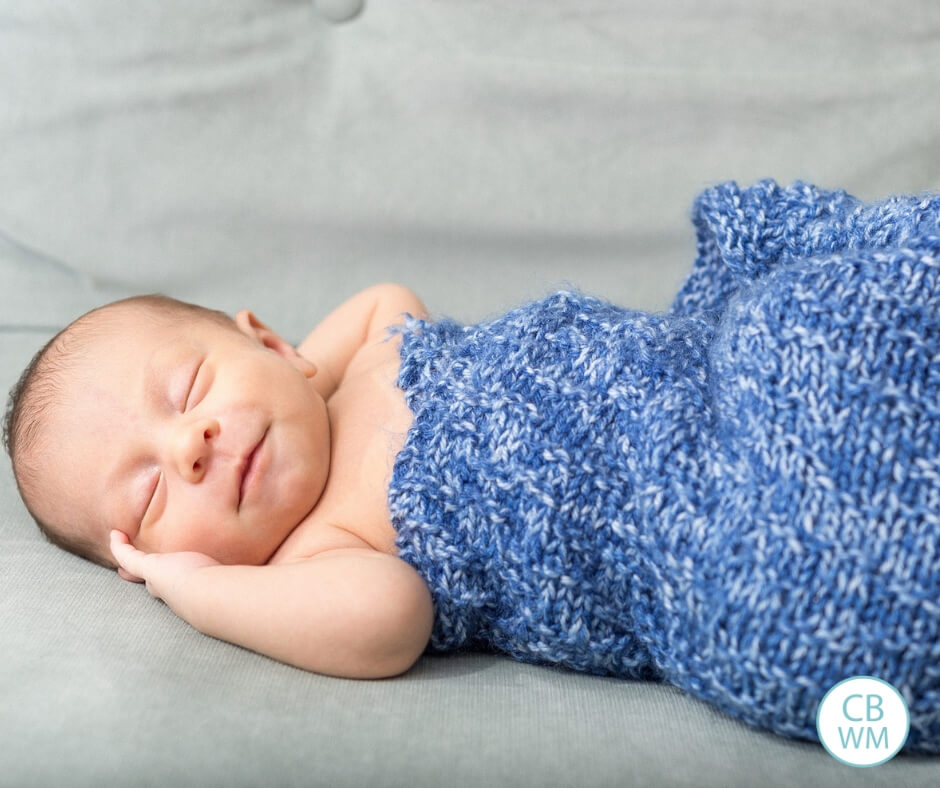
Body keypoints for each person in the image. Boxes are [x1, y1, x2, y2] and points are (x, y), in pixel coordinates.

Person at [4, 180, 940, 753]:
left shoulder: (370, 354)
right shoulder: (322, 554)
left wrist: (299, 376)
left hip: (695, 368)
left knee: (821, 304)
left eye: (191, 386)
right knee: (785, 611)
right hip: (681, 516)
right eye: (154, 491)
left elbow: (383, 298)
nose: (192, 444)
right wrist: (198, 590)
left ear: (272, 341)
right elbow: (391, 622)